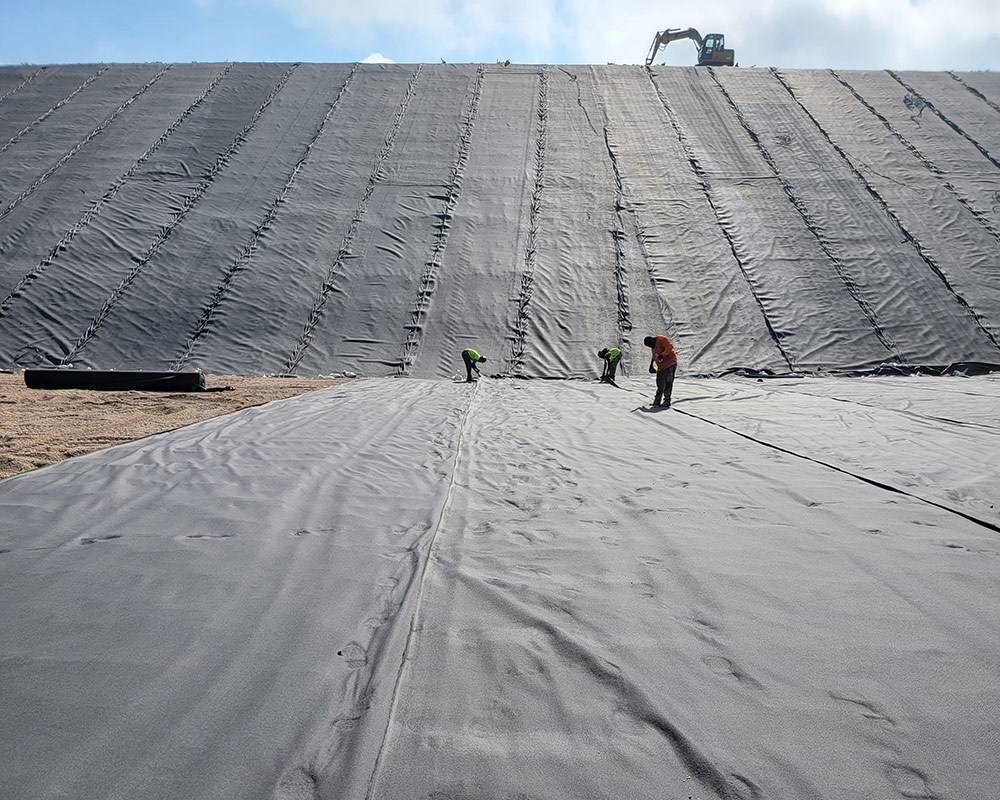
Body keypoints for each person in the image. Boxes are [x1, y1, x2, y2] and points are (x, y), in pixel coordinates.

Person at [643, 334, 677, 407]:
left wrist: (663, 355)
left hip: (670, 363)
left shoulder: (662, 339)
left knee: (668, 382)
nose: (650, 347)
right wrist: (651, 364)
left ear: (652, 340)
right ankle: (657, 401)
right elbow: (654, 355)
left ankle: (667, 401)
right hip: (661, 367)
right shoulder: (653, 346)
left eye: (650, 345)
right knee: (660, 383)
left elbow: (670, 347)